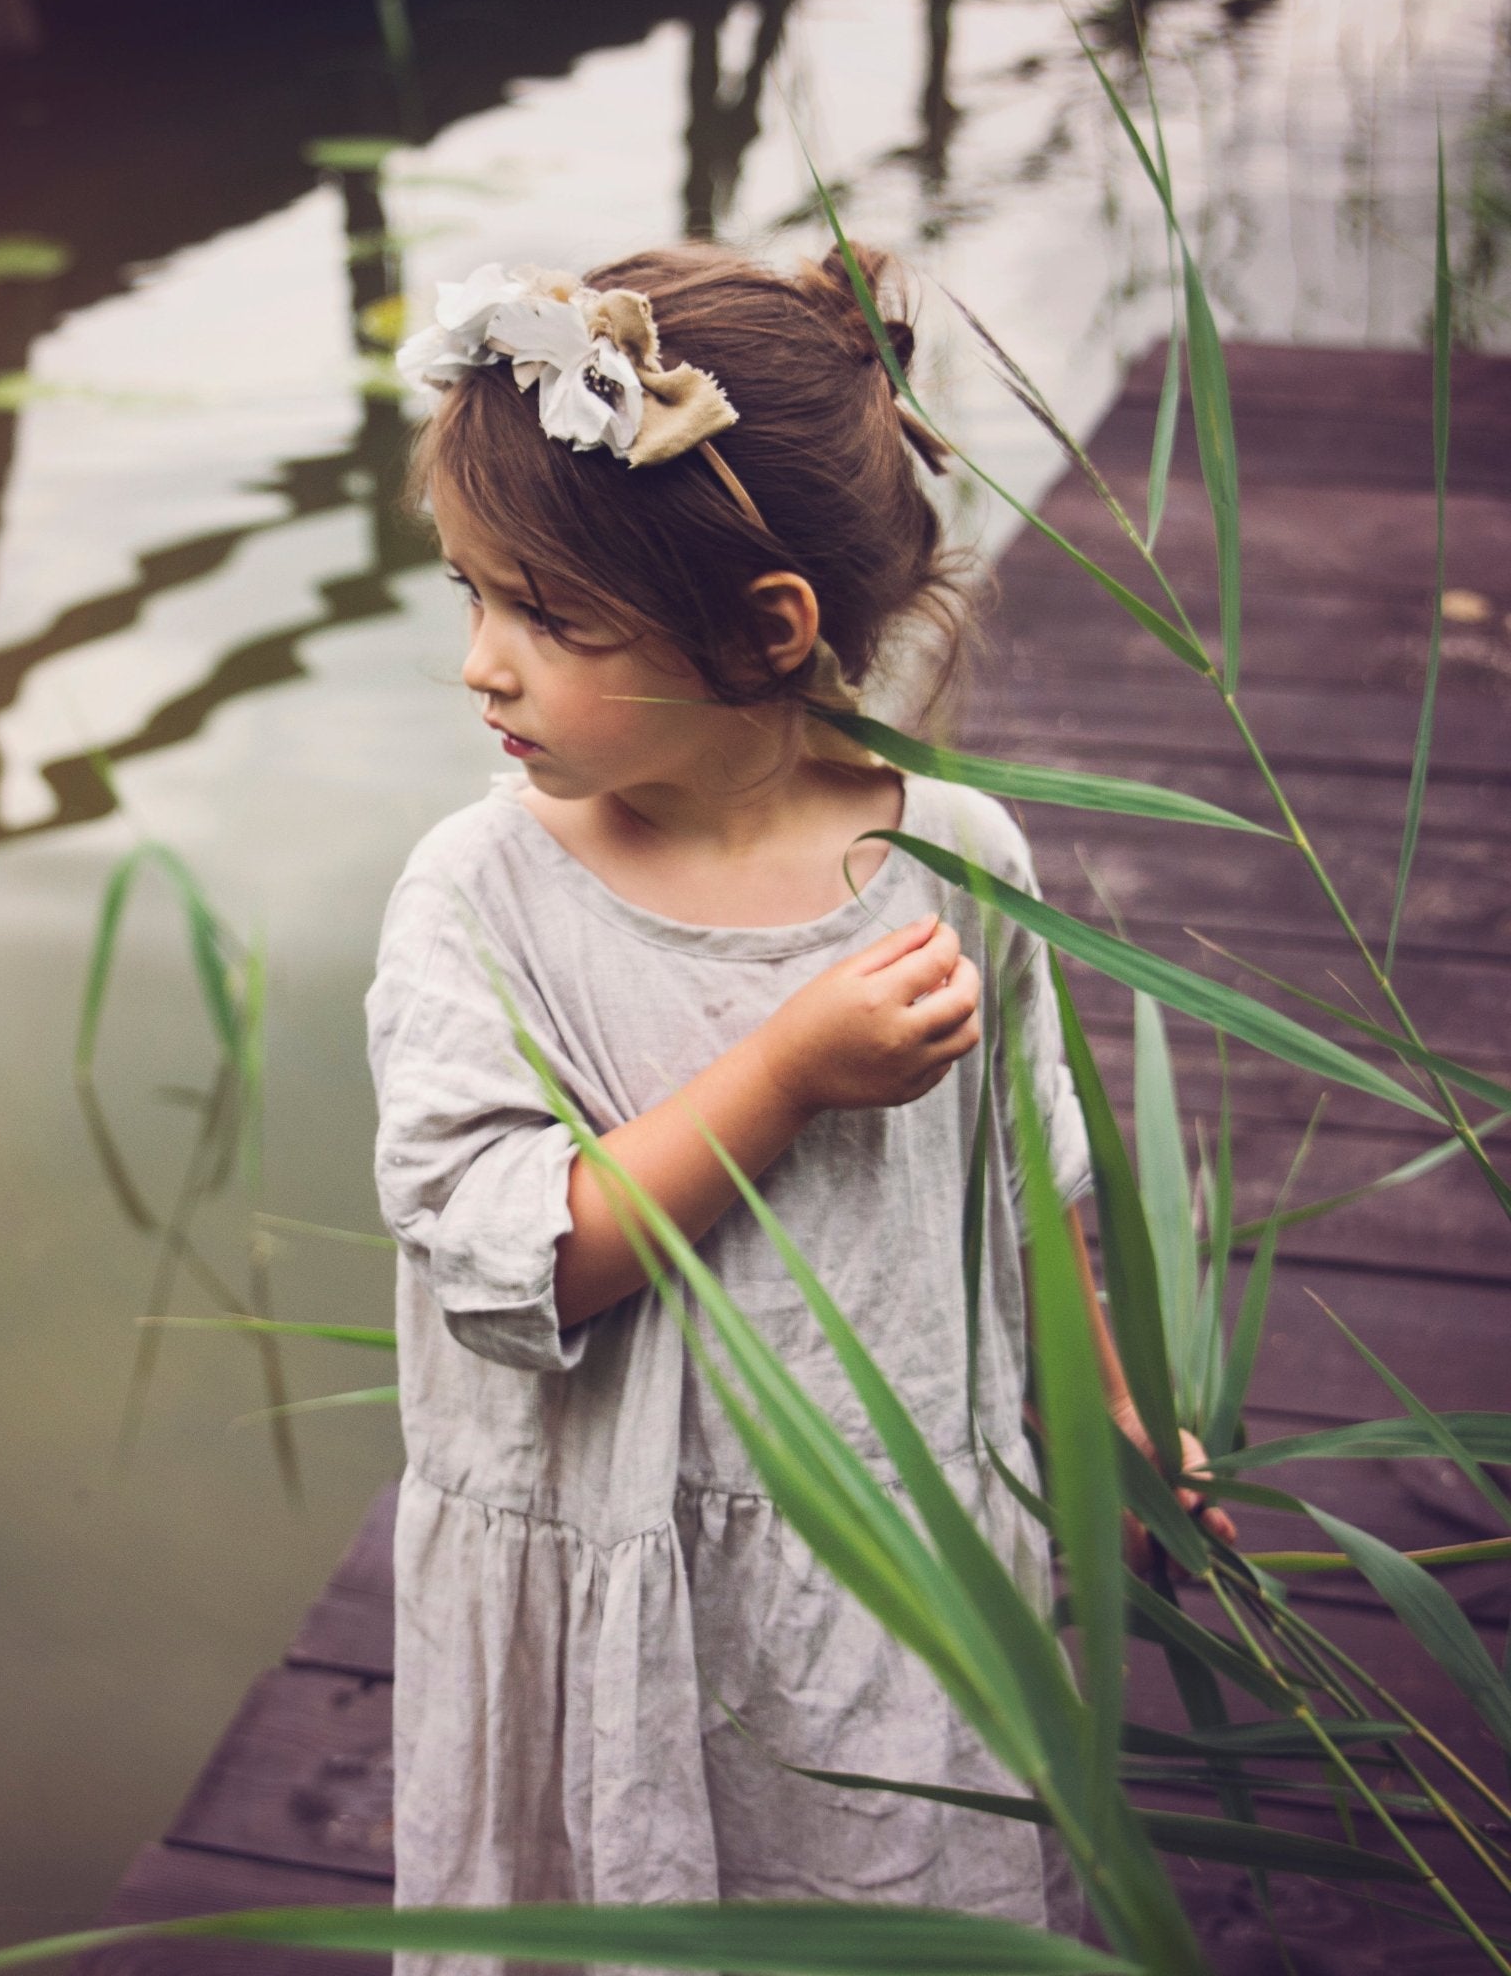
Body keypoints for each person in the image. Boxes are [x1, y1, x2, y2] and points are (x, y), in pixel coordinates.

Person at [365, 244, 1230, 1970]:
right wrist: (776, 1077)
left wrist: (1113, 1419)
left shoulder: (951, 857)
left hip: (884, 1568)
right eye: (470, 595)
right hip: (621, 1573)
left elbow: (1028, 1182)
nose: (484, 665)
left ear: (766, 630)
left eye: (546, 617)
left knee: (881, 1917)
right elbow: (508, 1258)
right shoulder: (479, 897)